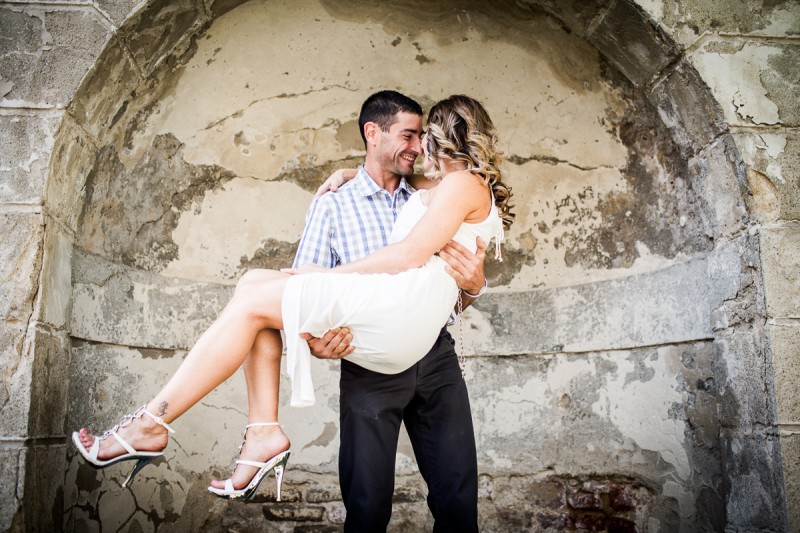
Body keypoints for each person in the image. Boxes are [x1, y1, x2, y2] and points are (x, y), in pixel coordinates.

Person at [72, 93, 514, 531]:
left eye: (423, 138)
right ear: (372, 134)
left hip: (431, 349)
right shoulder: (336, 202)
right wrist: (315, 341)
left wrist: (473, 285)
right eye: (408, 136)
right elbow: (304, 312)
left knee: (457, 500)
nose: (418, 149)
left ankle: (172, 425)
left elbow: (420, 263)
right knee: (366, 507)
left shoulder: (437, 189)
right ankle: (247, 431)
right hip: (370, 355)